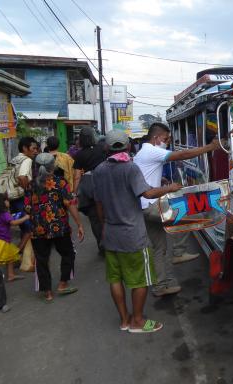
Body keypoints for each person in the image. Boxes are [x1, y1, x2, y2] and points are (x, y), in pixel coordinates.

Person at [93, 130, 181, 333]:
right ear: (129, 147)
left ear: (106, 148)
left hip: (111, 234)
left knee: (115, 279)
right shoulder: (130, 169)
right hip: (132, 234)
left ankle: (124, 320)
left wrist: (104, 225)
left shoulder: (98, 171)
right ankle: (138, 321)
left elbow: (98, 204)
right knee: (140, 279)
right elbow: (148, 193)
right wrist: (170, 188)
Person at [133, 122, 220, 297]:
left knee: (159, 248)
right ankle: (179, 252)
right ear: (156, 138)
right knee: (190, 212)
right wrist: (210, 147)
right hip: (150, 206)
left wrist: (161, 179)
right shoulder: (151, 150)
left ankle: (161, 286)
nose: (167, 142)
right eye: (165, 139)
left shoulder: (142, 153)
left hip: (142, 207)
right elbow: (183, 154)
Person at [24, 153, 85, 302]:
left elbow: (27, 208)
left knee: (42, 259)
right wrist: (79, 224)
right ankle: (63, 284)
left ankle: (48, 293)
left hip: (38, 229)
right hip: (59, 227)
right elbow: (71, 205)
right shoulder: (60, 183)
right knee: (68, 253)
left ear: (36, 167)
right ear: (53, 167)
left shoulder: (30, 185)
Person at [0, 193, 30, 281]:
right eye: (6, 200)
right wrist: (26, 217)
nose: (8, 202)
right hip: (2, 240)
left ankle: (10, 275)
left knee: (9, 257)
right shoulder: (4, 214)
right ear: (2, 203)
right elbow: (13, 223)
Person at [72, 127, 106, 254]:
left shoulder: (79, 154)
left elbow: (76, 176)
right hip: (104, 186)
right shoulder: (102, 149)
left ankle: (101, 244)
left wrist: (74, 193)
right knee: (107, 215)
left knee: (95, 219)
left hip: (89, 190)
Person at [10, 136, 39, 252]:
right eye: (33, 148)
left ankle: (24, 257)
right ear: (25, 148)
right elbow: (22, 177)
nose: (36, 151)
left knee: (24, 227)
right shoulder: (27, 160)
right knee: (29, 229)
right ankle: (15, 256)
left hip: (12, 198)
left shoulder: (15, 159)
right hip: (20, 198)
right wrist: (28, 191)